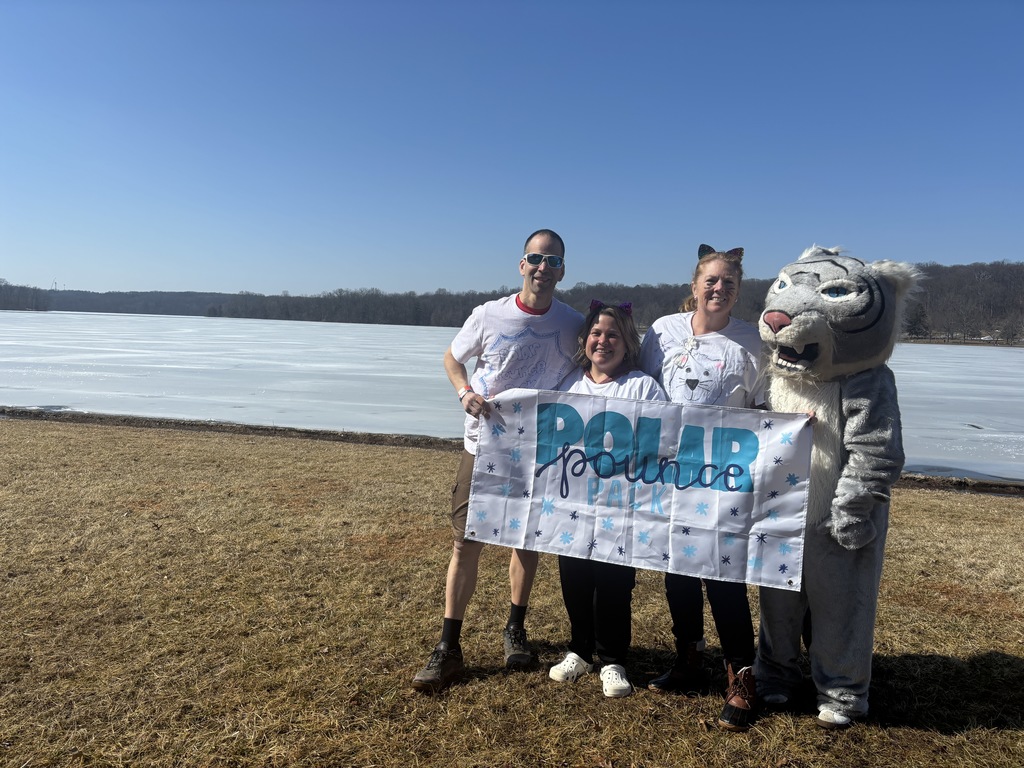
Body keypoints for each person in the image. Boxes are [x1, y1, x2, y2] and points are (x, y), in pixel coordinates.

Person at [412, 229, 584, 693]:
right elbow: (452, 358)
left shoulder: (573, 323)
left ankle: (515, 629)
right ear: (521, 264)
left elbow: (594, 367)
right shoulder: (488, 316)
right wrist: (464, 392)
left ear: (563, 270)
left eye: (553, 261)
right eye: (535, 258)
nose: (543, 268)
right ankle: (449, 645)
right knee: (466, 542)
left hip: (536, 451)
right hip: (484, 444)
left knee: (526, 540)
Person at [638, 244, 765, 732]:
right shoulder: (662, 331)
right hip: (668, 473)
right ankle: (688, 658)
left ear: (737, 290)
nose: (718, 289)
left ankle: (742, 677)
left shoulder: (751, 342)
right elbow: (639, 389)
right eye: (710, 280)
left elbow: (769, 403)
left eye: (728, 283)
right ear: (693, 286)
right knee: (678, 568)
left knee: (723, 573)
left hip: (722, 476)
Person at [548, 301, 668, 698]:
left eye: (613, 335)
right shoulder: (569, 385)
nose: (603, 342)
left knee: (614, 582)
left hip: (621, 505)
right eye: (597, 334)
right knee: (575, 578)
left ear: (627, 342)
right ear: (585, 341)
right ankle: (580, 649)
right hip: (575, 507)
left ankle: (613, 659)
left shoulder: (642, 386)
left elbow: (662, 442)